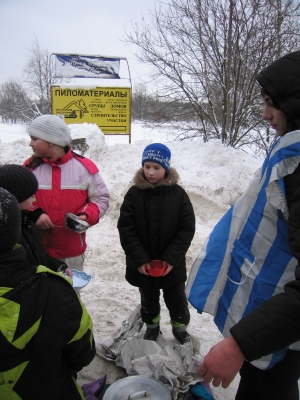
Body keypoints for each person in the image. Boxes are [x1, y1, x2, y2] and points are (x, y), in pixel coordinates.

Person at [186, 50, 300, 399]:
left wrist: (239, 344)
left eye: (271, 104)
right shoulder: (291, 151)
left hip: (281, 327)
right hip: (269, 315)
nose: (265, 114)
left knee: (270, 388)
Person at [0, 187, 96, 399]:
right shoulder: (56, 292)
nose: (35, 199)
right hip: (51, 388)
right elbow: (83, 353)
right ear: (16, 231)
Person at [117, 143, 195, 344]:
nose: (151, 172)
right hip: (144, 264)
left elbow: (186, 229)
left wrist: (172, 258)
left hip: (171, 264)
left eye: (156, 168)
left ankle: (180, 329)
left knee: (177, 299)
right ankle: (152, 327)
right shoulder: (134, 194)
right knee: (148, 299)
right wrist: (139, 259)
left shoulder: (178, 195)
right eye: (147, 166)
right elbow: (126, 229)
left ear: (166, 168)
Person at [24, 114, 110, 271]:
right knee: (39, 294)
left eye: (35, 138)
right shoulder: (30, 169)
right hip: (35, 249)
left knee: (69, 294)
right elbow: (16, 199)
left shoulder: (84, 168)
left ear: (51, 141)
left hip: (70, 253)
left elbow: (101, 198)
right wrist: (34, 214)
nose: (31, 143)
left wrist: (85, 216)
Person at [0, 164, 72, 277]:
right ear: (15, 199)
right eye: (31, 196)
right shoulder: (9, 236)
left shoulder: (27, 222)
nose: (35, 199)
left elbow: (38, 255)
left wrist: (56, 265)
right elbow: (17, 275)